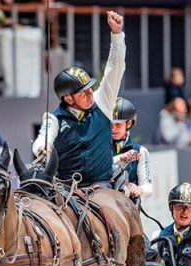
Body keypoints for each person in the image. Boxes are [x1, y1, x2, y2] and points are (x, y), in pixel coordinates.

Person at [32, 11, 125, 188]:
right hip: (66, 189)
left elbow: (115, 68)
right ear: (68, 98)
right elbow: (44, 138)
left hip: (101, 186)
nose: (90, 93)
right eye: (82, 92)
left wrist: (117, 35)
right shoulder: (54, 119)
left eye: (90, 87)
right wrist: (42, 149)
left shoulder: (102, 102)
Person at [111, 97, 152, 200]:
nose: (113, 129)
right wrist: (120, 158)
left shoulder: (141, 151)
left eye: (118, 125)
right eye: (110, 124)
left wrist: (139, 189)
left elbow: (148, 187)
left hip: (127, 207)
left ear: (129, 124)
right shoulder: (99, 145)